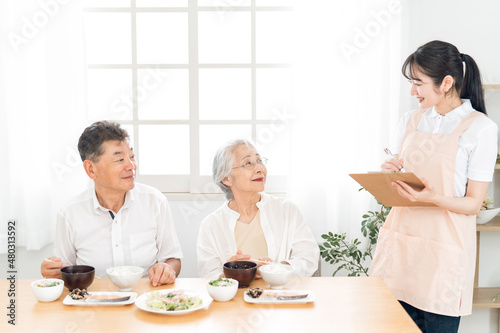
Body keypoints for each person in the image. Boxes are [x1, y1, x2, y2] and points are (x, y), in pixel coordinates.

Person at [370, 40, 498, 332]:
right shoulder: (411, 120)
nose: (413, 91)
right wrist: (391, 173)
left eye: (418, 83)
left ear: (447, 83)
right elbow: (401, 185)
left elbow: (473, 203)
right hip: (401, 247)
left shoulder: (480, 129)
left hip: (444, 253)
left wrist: (433, 197)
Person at [40, 121, 183, 287]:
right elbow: (64, 272)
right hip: (93, 303)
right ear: (91, 169)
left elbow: (173, 259)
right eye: (120, 159)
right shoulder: (69, 213)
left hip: (145, 300)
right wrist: (52, 272)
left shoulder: (155, 201)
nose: (131, 166)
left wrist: (166, 268)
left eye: (132, 157)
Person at [197, 139, 319, 279]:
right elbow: (207, 276)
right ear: (226, 179)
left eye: (259, 160)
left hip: (280, 297)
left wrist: (277, 269)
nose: (260, 169)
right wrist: (228, 273)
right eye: (248, 163)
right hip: (235, 298)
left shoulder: (287, 210)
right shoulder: (211, 225)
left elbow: (308, 258)